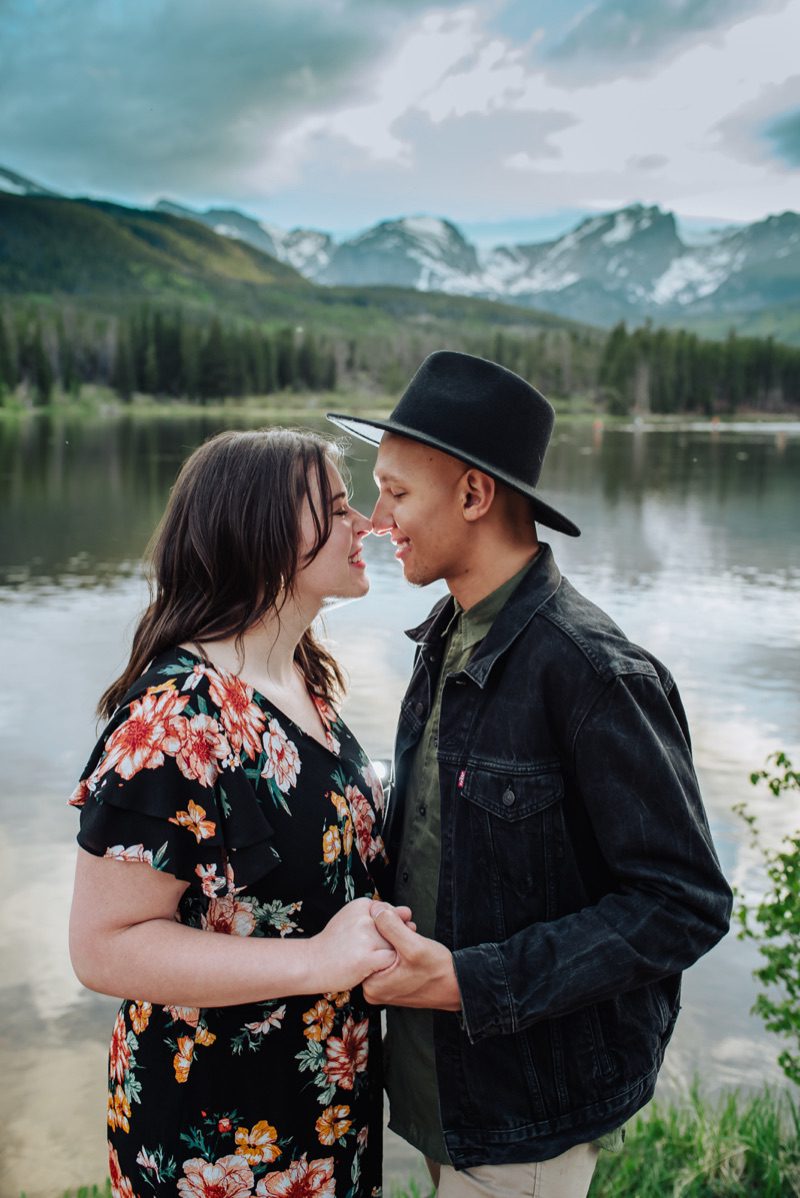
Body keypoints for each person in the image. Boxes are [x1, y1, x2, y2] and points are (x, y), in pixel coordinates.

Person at [327, 352, 733, 1198]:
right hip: (442, 1090)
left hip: (528, 1112)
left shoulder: (594, 674)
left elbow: (683, 903)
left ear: (475, 495)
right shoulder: (446, 632)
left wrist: (472, 982)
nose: (377, 517)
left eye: (398, 493)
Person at [68, 428, 407, 1198]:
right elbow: (102, 948)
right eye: (338, 508)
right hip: (213, 1131)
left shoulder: (300, 678)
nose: (369, 526)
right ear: (258, 533)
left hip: (318, 1111)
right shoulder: (176, 717)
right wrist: (319, 960)